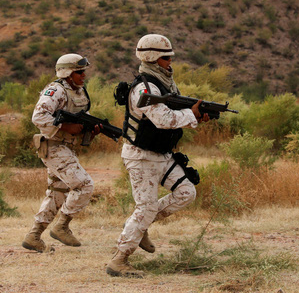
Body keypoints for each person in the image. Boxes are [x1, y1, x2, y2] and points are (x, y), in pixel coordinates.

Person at [106, 34, 210, 278]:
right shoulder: (144, 87)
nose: (170, 62)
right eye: (166, 57)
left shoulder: (165, 84)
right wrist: (191, 115)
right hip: (141, 155)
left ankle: (139, 226)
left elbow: (174, 115)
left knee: (186, 193)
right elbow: (163, 120)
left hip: (162, 154)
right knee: (146, 207)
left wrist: (197, 116)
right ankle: (119, 259)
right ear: (152, 57)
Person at [22, 53, 99, 252]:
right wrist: (65, 127)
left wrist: (91, 128)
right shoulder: (55, 90)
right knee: (84, 185)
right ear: (67, 73)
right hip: (54, 146)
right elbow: (38, 117)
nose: (83, 76)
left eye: (83, 72)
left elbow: (81, 117)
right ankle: (61, 226)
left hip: (65, 148)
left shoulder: (79, 92)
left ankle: (34, 236)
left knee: (57, 192)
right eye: (79, 72)